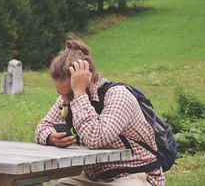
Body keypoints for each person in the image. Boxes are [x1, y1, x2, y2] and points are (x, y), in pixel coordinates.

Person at [35, 39, 165, 186]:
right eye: (60, 93)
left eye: (69, 93)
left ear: (86, 78)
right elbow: (42, 127)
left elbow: (95, 139)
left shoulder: (118, 95)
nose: (65, 99)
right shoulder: (68, 97)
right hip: (93, 176)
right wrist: (52, 137)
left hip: (133, 174)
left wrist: (78, 93)